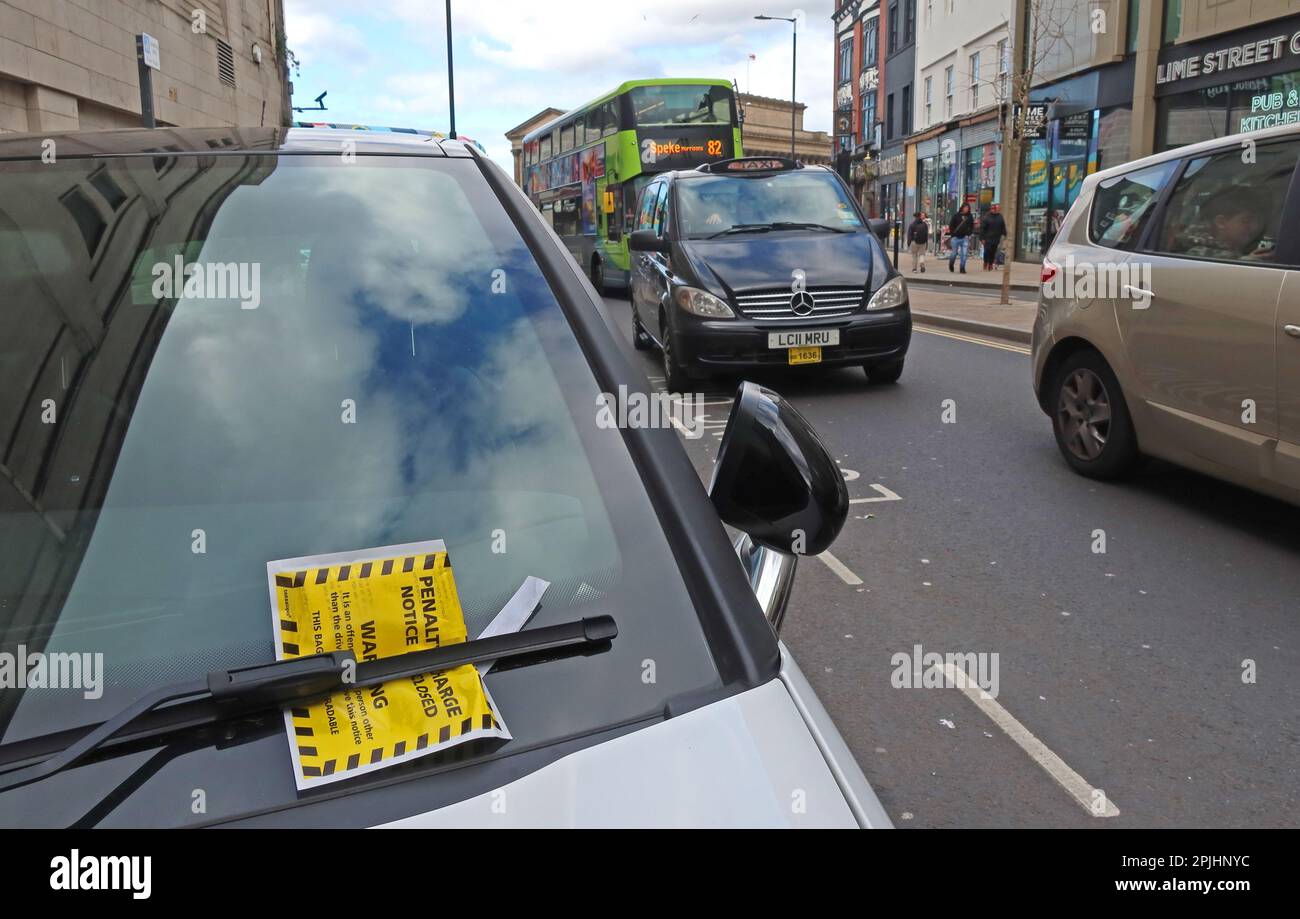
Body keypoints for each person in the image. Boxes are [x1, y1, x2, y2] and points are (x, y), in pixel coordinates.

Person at [980, 203, 1007, 271]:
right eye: (993, 209)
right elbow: (982, 228)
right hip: (987, 238)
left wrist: (1005, 234)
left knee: (993, 251)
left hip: (996, 238)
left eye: (995, 209)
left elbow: (1003, 226)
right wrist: (982, 238)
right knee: (987, 251)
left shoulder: (1000, 216)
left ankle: (990, 264)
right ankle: (986, 262)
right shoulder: (987, 217)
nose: (994, 210)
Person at [947, 203, 974, 273]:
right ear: (962, 208)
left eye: (968, 208)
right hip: (955, 238)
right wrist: (953, 234)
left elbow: (971, 226)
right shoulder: (956, 216)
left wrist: (969, 234)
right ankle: (951, 263)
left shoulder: (970, 216)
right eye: (965, 208)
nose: (966, 209)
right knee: (954, 253)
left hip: (965, 238)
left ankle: (962, 268)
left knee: (964, 254)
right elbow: (951, 225)